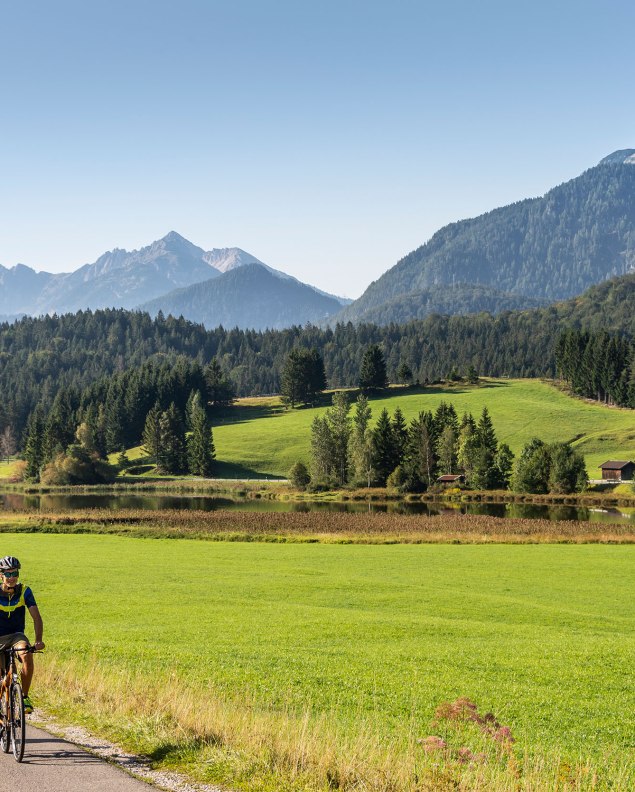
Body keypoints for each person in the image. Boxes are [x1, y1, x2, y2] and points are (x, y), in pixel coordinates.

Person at [0, 556, 45, 714]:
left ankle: (24, 696)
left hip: (16, 636)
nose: (11, 578)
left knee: (26, 655)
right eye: (8, 574)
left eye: (14, 573)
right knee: (2, 680)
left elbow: (37, 618)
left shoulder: (25, 591)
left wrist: (38, 640)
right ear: (1, 575)